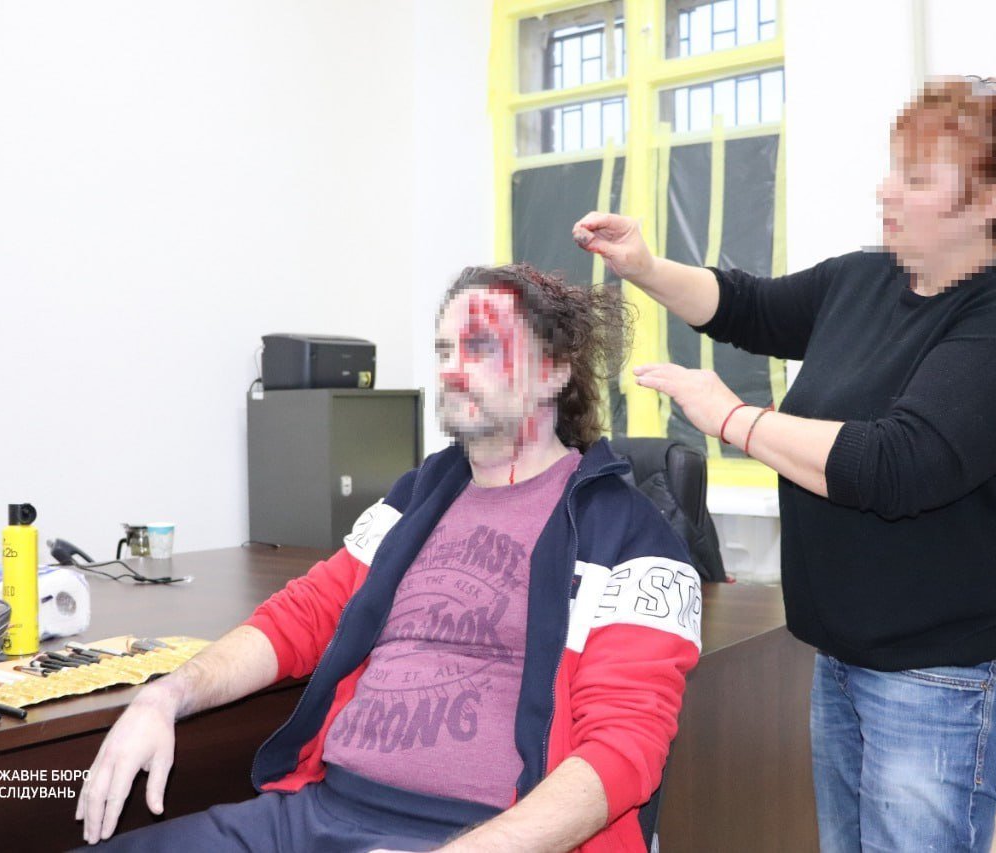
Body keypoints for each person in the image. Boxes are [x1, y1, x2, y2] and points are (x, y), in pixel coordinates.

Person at [573, 75, 996, 852]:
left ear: (991, 199)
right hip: (841, 652)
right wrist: (643, 265)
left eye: (917, 179)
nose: (886, 191)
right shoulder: (865, 279)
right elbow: (746, 306)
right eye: (894, 169)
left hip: (945, 668)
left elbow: (901, 462)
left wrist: (736, 419)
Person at [74, 263, 702, 853]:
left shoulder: (630, 536)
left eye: (481, 348)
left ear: (554, 371)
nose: (453, 370)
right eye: (444, 350)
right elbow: (302, 616)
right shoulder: (417, 497)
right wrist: (164, 697)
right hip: (320, 813)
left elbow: (624, 750)